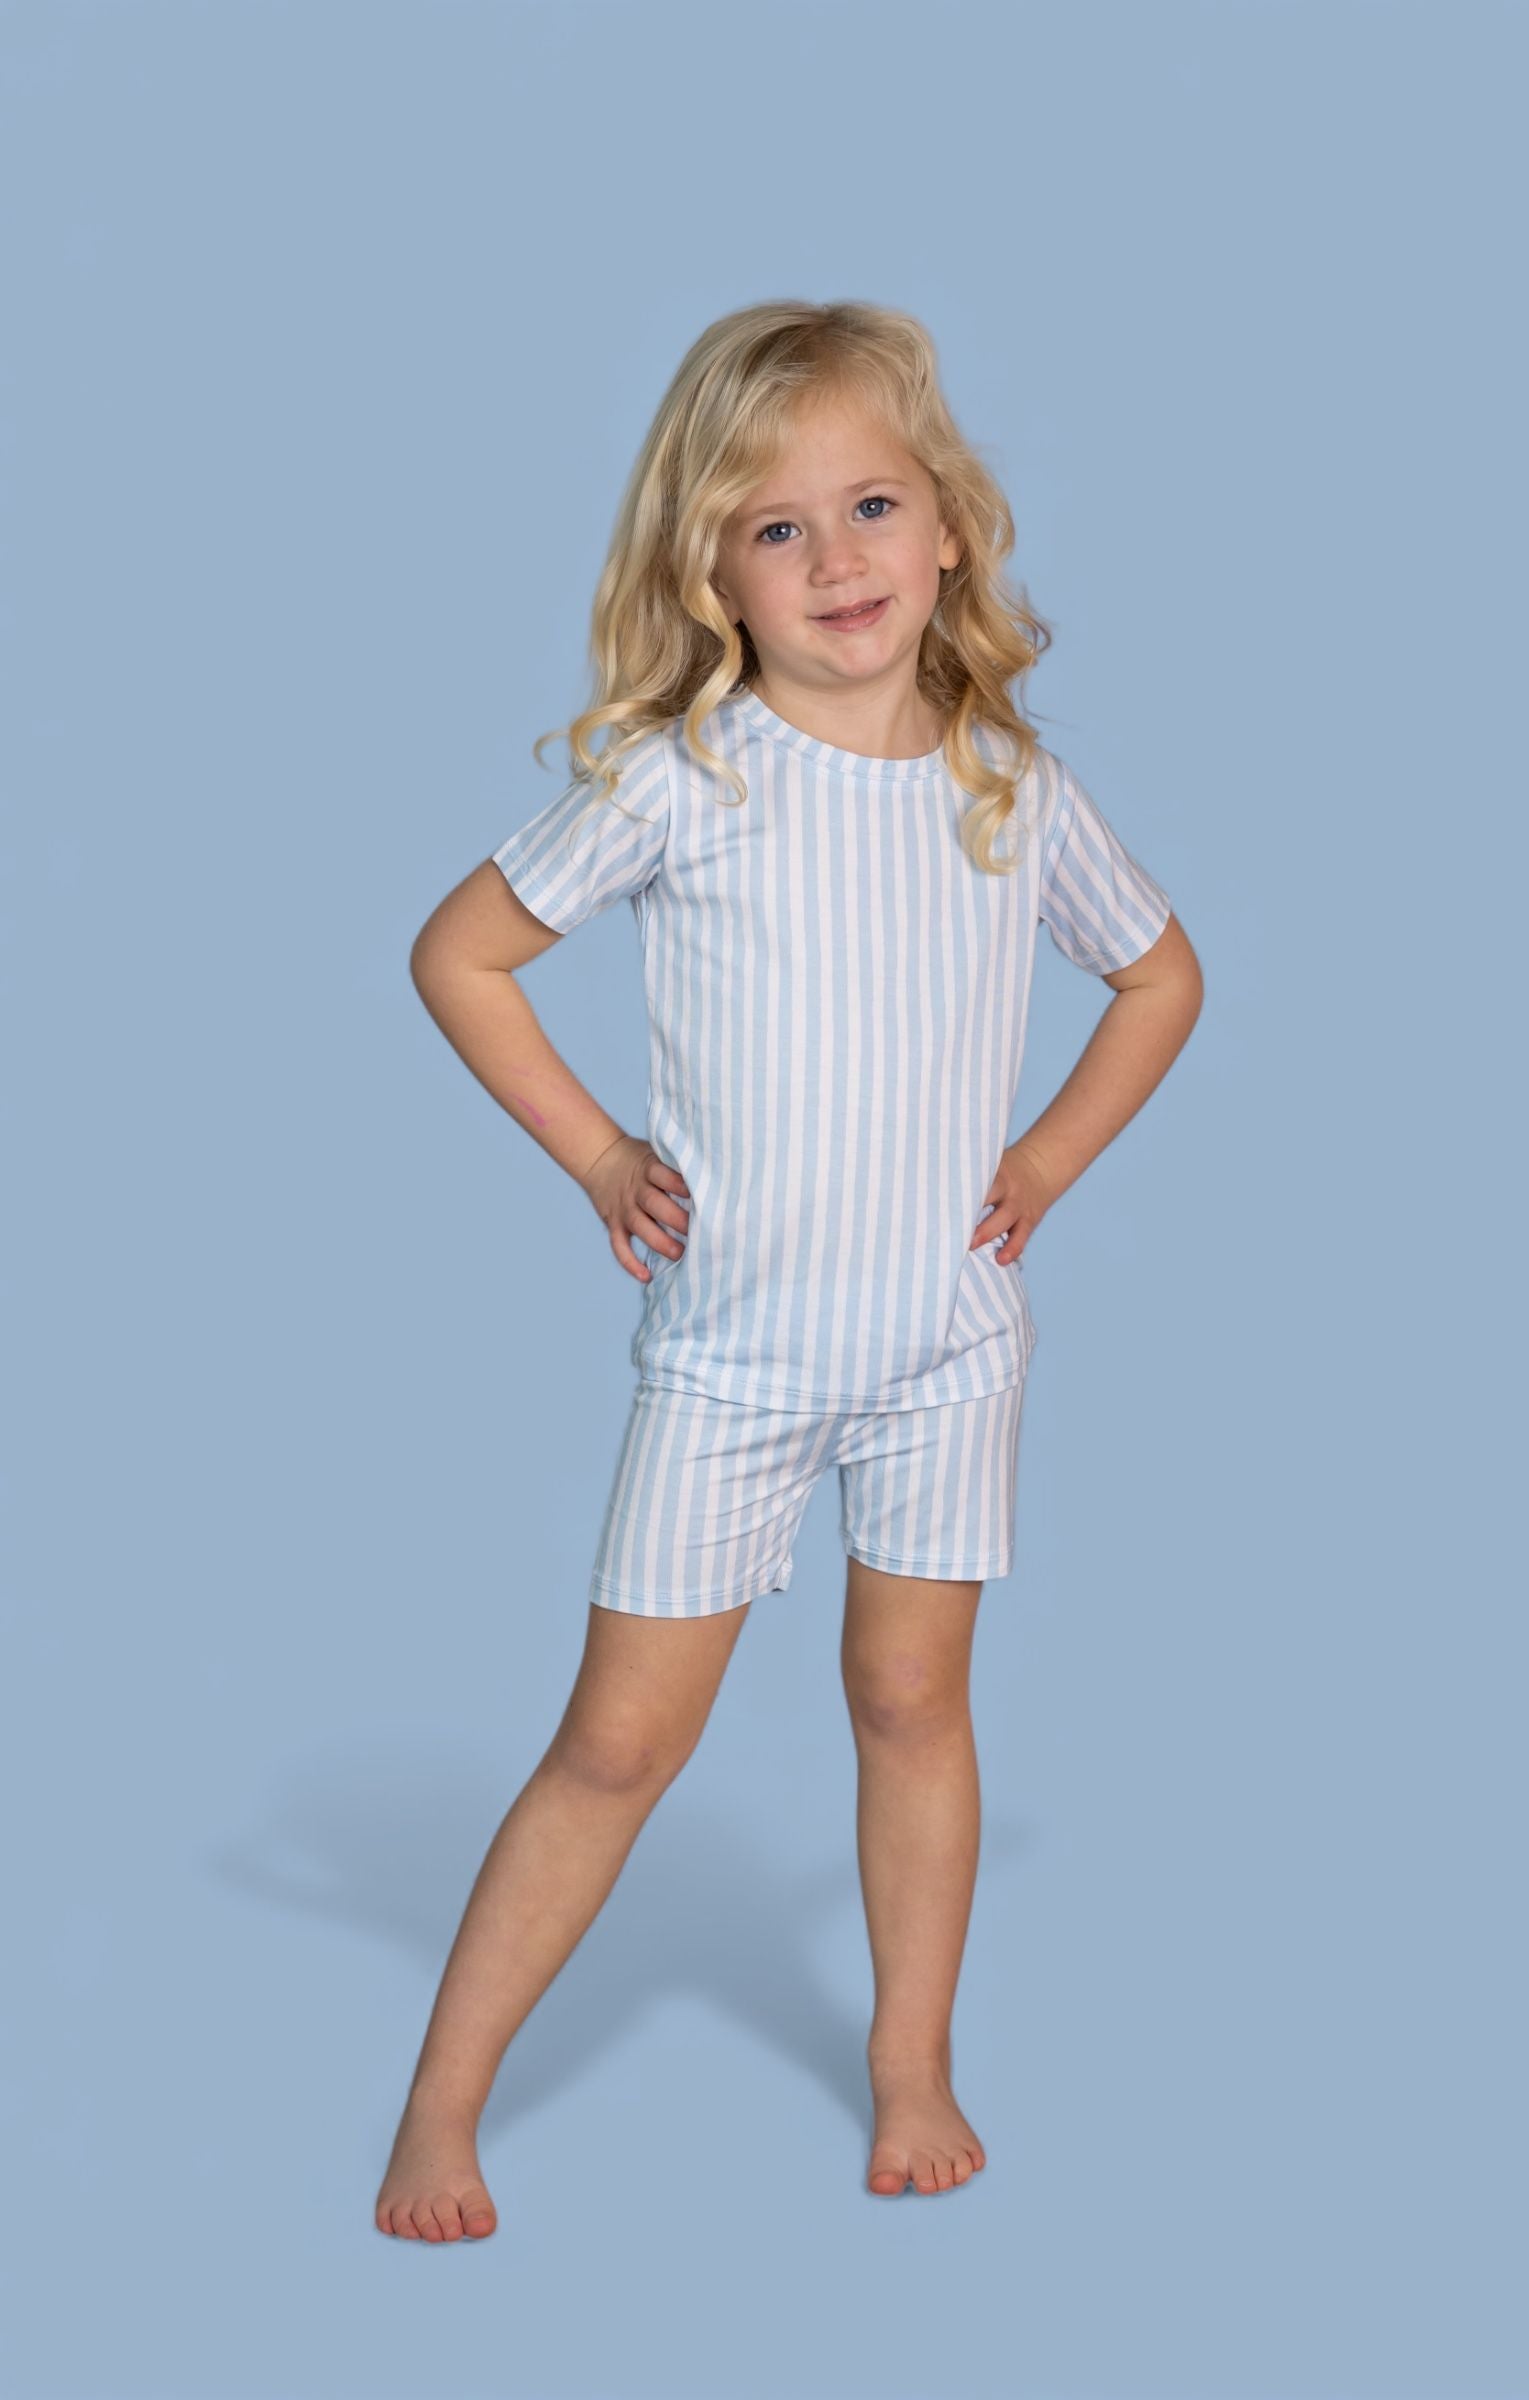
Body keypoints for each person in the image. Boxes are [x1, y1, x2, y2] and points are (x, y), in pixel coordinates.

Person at [376, 299, 1203, 2240]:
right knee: (617, 1744)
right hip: (735, 1363)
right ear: (714, 575)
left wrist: (1044, 1161)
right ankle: (438, 2108)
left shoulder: (1008, 782)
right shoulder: (687, 776)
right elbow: (459, 956)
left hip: (944, 1353)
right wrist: (599, 1155)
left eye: (871, 504)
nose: (835, 557)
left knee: (911, 1705)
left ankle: (911, 2066)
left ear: (948, 529)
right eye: (776, 527)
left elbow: (1159, 978)